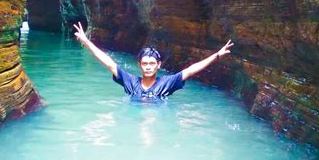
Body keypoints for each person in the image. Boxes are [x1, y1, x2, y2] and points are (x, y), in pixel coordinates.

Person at [73, 22, 234, 99]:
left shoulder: (167, 82)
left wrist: (217, 55)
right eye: (145, 64)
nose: (148, 67)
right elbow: (108, 62)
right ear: (139, 65)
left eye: (151, 64)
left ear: (158, 65)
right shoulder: (130, 81)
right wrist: (86, 42)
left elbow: (191, 69)